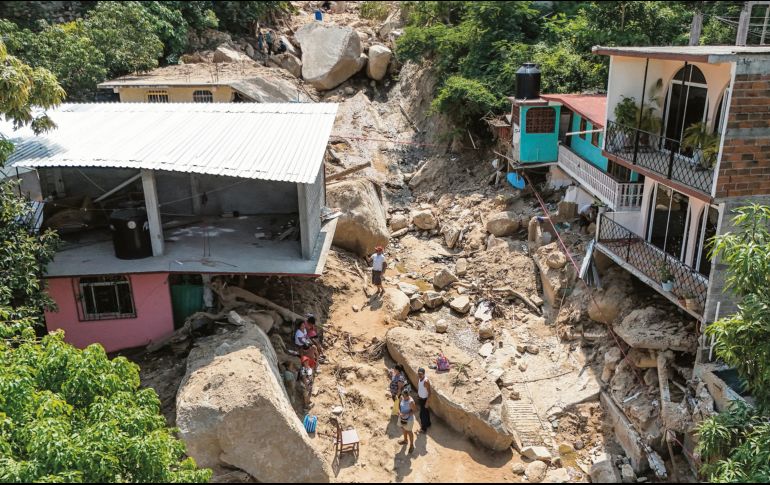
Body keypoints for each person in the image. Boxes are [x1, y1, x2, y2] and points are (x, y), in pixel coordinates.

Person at [397, 388, 418, 453]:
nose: (403, 397)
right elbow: (399, 405)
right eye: (402, 395)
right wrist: (399, 411)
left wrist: (406, 414)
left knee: (409, 431)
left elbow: (415, 410)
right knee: (403, 428)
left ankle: (411, 445)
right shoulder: (401, 397)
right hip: (402, 418)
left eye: (404, 396)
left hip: (409, 420)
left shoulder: (411, 402)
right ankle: (405, 440)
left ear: (408, 395)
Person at [416, 367, 432, 433]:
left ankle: (423, 429)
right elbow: (420, 388)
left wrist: (427, 403)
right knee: (426, 413)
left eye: (421, 374)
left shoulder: (425, 381)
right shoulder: (420, 379)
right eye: (418, 373)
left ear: (424, 374)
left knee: (422, 415)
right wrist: (418, 394)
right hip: (421, 399)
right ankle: (428, 424)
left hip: (424, 400)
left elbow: (430, 393)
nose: (419, 375)